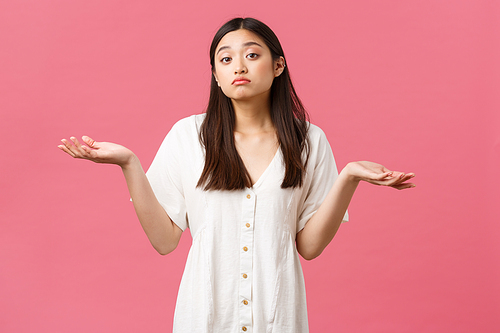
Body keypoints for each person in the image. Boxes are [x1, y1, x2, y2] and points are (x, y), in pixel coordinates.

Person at [58, 17, 415, 333]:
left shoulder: (309, 141)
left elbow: (308, 247)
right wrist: (129, 163)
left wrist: (348, 177)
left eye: (252, 54)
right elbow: (164, 241)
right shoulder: (188, 136)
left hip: (279, 320)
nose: (238, 66)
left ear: (278, 65)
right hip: (204, 318)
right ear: (215, 75)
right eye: (225, 59)